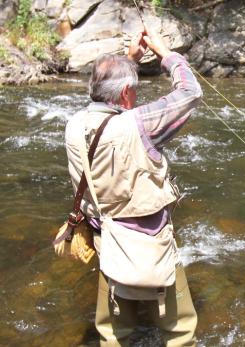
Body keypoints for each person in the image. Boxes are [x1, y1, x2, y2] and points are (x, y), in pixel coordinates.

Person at [64, 25, 202, 346]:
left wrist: (129, 62)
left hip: (106, 239)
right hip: (149, 243)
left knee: (114, 332)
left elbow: (110, 99)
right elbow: (190, 93)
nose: (136, 95)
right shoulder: (140, 123)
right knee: (179, 330)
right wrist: (166, 55)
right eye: (134, 89)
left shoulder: (73, 124)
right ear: (127, 94)